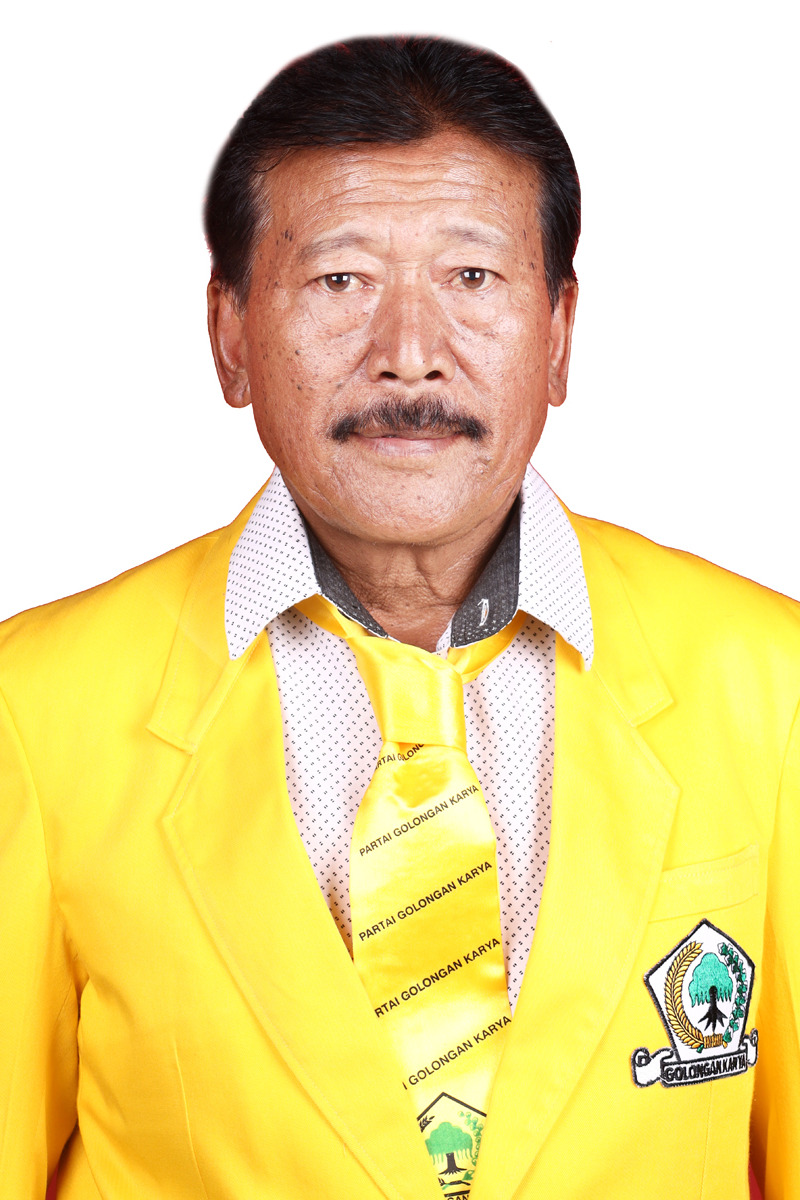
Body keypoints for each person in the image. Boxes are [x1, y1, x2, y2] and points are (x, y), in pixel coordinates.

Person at [0, 34, 796, 1200]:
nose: (409, 356)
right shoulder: (33, 708)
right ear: (229, 334)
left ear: (558, 331)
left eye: (471, 277)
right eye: (340, 281)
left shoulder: (769, 683)